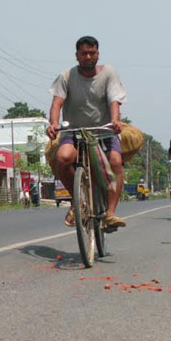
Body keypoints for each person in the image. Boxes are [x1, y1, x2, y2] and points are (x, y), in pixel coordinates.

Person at [45, 35, 127, 229]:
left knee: (115, 161)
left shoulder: (108, 73)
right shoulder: (67, 76)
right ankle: (77, 200)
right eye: (84, 53)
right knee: (63, 158)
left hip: (103, 131)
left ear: (98, 54)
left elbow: (114, 100)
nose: (88, 57)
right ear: (77, 56)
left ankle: (111, 213)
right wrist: (53, 123)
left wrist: (115, 120)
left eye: (92, 53)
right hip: (74, 132)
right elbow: (57, 103)